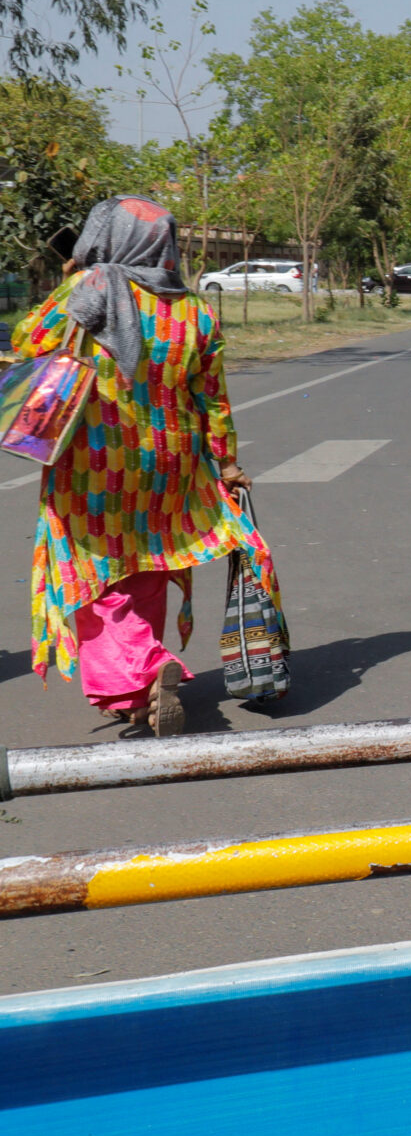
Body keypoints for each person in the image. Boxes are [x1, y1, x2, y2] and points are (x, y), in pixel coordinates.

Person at [14, 196, 274, 737]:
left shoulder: (90, 289)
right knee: (149, 562)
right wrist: (225, 465)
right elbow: (214, 400)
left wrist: (68, 280)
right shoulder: (193, 310)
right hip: (170, 464)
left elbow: (27, 345)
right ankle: (140, 694)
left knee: (90, 572)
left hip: (93, 462)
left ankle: (144, 669)